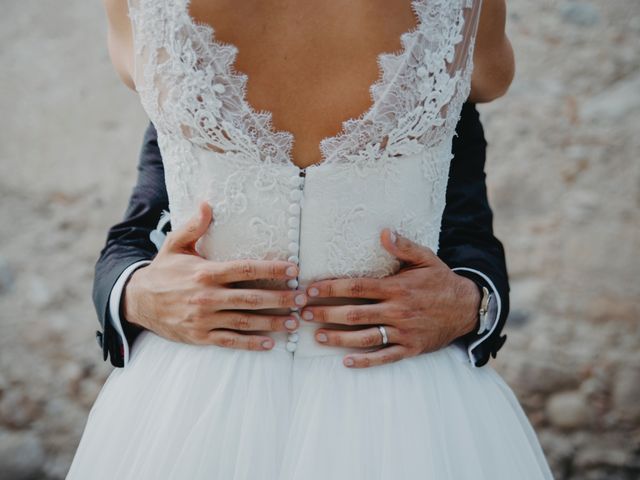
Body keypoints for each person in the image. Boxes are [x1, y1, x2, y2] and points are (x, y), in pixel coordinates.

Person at [68, 0, 553, 478]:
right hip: (389, 404)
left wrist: (473, 303)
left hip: (333, 389)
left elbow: (463, 215)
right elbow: (147, 218)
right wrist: (134, 295)